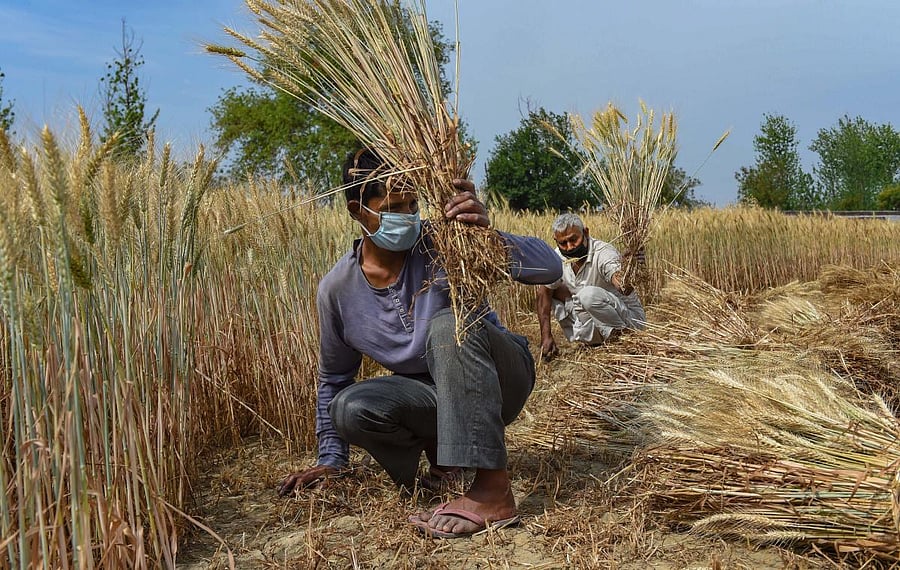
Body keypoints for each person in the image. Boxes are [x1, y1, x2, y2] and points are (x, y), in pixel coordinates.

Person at [277, 147, 563, 539]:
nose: (409, 216)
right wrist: (332, 459)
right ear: (356, 210)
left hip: (500, 379)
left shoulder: (447, 241)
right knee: (349, 407)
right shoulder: (337, 290)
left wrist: (486, 234)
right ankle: (444, 464)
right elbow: (334, 379)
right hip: (433, 398)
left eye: (413, 204)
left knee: (448, 324)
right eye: (395, 206)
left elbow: (549, 266)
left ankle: (492, 490)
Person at [536, 213, 646, 361]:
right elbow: (544, 292)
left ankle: (623, 340)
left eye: (574, 240)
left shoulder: (604, 252)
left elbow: (624, 288)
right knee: (549, 290)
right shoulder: (557, 258)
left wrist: (629, 268)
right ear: (556, 241)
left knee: (586, 295)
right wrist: (546, 336)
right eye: (563, 243)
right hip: (593, 322)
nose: (569, 248)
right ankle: (596, 341)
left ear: (586, 232)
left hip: (629, 319)